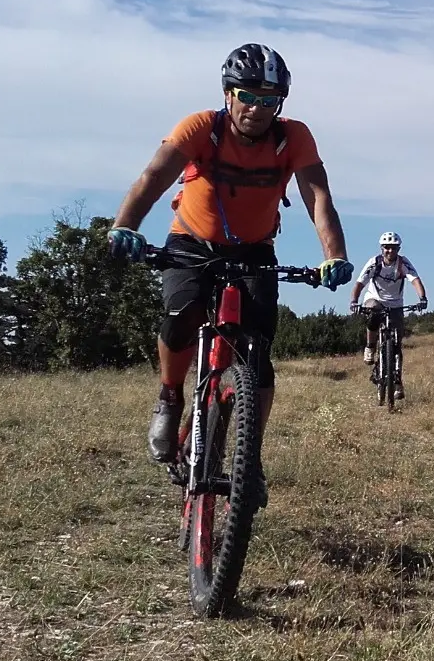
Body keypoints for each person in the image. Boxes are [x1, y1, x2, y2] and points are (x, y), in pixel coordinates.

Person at [106, 42, 353, 505]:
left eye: (269, 100)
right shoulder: (201, 127)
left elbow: (318, 196)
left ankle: (248, 460)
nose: (257, 109)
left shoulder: (293, 137)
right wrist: (126, 226)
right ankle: (170, 396)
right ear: (228, 94)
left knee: (257, 358)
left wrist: (334, 255)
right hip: (191, 242)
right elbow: (153, 177)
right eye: (248, 96)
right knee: (181, 315)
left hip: (254, 249)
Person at [349, 231, 428, 397]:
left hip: (395, 304)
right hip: (375, 299)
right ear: (381, 248)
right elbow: (360, 283)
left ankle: (398, 383)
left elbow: (415, 280)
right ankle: (370, 347)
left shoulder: (403, 263)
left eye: (393, 248)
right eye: (386, 247)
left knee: (397, 345)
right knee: (373, 312)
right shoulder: (375, 263)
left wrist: (422, 298)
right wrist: (354, 301)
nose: (390, 251)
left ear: (398, 249)